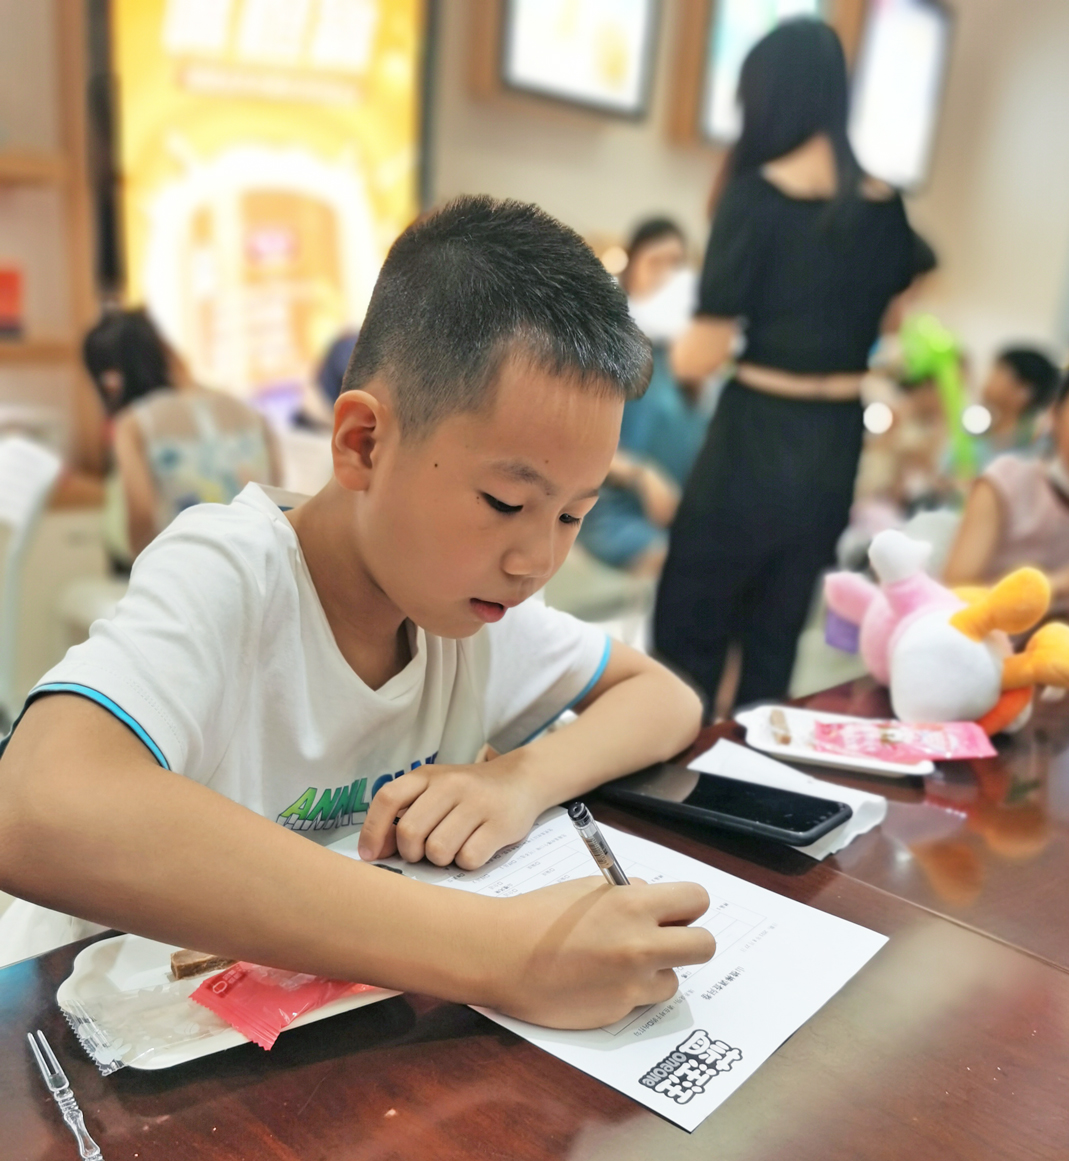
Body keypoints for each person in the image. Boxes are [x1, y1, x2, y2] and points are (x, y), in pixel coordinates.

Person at [0, 197, 713, 1028]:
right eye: (504, 501)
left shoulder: (474, 607)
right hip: (71, 1025)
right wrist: (506, 952)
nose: (536, 560)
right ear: (363, 443)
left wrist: (518, 779)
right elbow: (35, 804)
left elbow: (665, 699)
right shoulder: (232, 572)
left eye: (571, 515)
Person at [653, 19, 920, 713]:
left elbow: (701, 354)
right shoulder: (886, 205)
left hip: (756, 433)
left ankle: (664, 771)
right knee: (775, 635)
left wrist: (672, 339)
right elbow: (894, 320)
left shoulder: (755, 196)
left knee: (689, 629)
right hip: (835, 439)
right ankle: (755, 768)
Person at [83, 309, 281, 563]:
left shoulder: (134, 426)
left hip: (184, 568)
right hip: (260, 562)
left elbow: (142, 517)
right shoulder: (252, 414)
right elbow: (275, 493)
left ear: (111, 379)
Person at [578, 219, 709, 576]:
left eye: (676, 264)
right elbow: (570, 443)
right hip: (613, 515)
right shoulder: (605, 347)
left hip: (675, 518)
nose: (667, 274)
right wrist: (642, 475)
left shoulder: (687, 359)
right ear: (632, 269)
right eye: (656, 262)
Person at [944, 362, 1069, 612]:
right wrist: (1062, 584)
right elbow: (955, 593)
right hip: (986, 630)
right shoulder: (1007, 482)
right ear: (1055, 414)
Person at [968, 346, 1060, 471]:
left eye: (998, 372)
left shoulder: (1035, 449)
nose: (988, 380)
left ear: (1024, 391)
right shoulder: (976, 432)